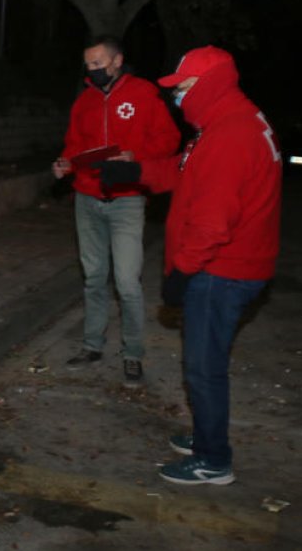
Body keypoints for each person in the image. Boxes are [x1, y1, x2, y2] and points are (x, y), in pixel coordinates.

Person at [97, 45, 282, 486]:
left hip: (222, 271)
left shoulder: (229, 135)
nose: (177, 97)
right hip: (230, 267)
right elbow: (185, 174)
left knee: (204, 366)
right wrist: (135, 171)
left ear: (209, 84)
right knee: (205, 361)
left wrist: (182, 273)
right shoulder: (225, 123)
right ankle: (205, 436)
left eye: (181, 89)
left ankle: (213, 458)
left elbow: (212, 223)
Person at [52, 35, 181, 384]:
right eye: (88, 65)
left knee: (127, 282)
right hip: (87, 198)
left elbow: (169, 140)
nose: (92, 71)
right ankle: (92, 345)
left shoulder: (143, 94)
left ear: (117, 61)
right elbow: (75, 145)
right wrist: (66, 164)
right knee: (93, 278)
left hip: (126, 198)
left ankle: (133, 353)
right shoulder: (85, 101)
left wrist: (135, 155)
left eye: (98, 64)